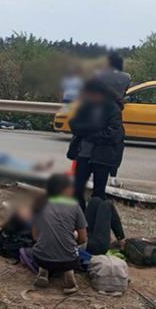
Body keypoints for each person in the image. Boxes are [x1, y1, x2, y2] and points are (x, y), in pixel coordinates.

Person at [68, 80, 124, 210]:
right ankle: (80, 218)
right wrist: (93, 128)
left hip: (103, 156)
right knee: (77, 189)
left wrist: (89, 133)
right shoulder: (86, 106)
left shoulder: (113, 109)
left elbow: (113, 134)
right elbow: (74, 124)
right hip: (83, 154)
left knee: (98, 193)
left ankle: (94, 219)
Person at [31, 174, 87, 294]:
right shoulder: (75, 206)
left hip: (41, 258)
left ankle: (43, 271)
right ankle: (69, 274)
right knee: (72, 243)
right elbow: (83, 238)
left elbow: (35, 236)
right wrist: (71, 240)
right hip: (69, 260)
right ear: (64, 190)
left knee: (41, 244)